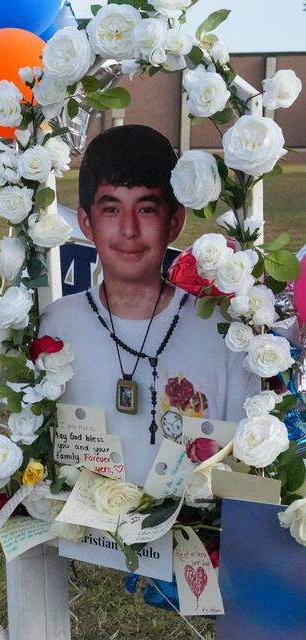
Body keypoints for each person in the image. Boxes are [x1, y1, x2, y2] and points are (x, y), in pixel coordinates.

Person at [40, 124, 259, 486]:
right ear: (86, 223)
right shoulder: (56, 327)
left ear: (174, 221)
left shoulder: (223, 335)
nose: (128, 229)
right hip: (84, 543)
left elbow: (241, 475)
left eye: (146, 209)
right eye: (110, 210)